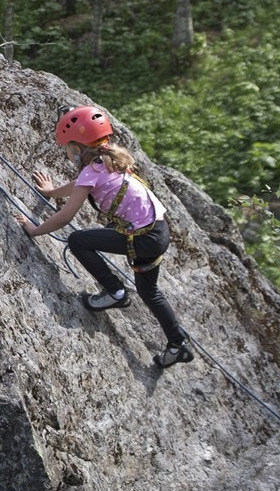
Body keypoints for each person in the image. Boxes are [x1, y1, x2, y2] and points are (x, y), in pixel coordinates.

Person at [14, 104, 194, 368]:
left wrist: (35, 229)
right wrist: (51, 193)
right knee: (149, 291)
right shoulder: (110, 160)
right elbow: (81, 186)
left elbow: (66, 216)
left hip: (143, 238)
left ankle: (115, 292)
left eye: (68, 148)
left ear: (77, 148)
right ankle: (177, 344)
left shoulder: (92, 170)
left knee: (79, 241)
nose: (67, 153)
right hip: (157, 231)